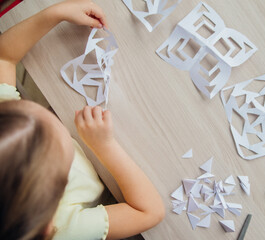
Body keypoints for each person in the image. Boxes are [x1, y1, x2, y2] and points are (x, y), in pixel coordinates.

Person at [0, 0, 165, 239]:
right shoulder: (63, 229)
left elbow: (4, 57)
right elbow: (149, 212)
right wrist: (104, 146)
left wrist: (55, 13)